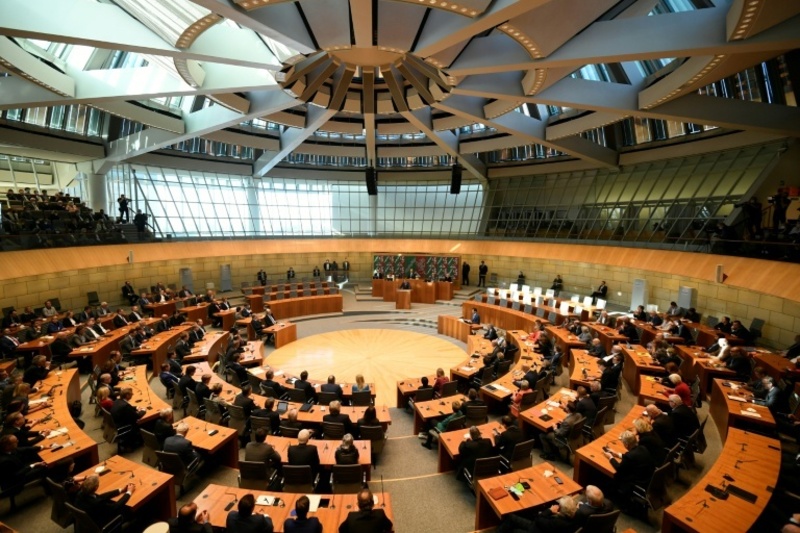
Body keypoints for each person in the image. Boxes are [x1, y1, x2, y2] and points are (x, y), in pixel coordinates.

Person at [604, 430, 655, 503]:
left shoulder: (629, 456)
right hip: (648, 478)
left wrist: (611, 458)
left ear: (626, 445)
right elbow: (633, 458)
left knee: (615, 476)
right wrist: (618, 454)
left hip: (636, 483)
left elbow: (619, 468)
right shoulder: (642, 448)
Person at [499, 495, 577, 533]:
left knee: (513, 529)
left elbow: (538, 519)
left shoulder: (556, 522)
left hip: (536, 529)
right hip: (539, 527)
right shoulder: (573, 518)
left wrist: (549, 510)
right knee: (512, 517)